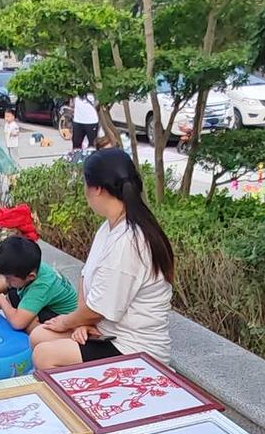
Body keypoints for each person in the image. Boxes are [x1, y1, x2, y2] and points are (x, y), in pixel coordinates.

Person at [30, 148, 174, 367]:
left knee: (45, 355)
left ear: (96, 188)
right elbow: (85, 277)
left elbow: (99, 309)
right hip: (105, 332)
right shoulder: (109, 227)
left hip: (133, 347)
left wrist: (67, 322)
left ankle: (79, 401)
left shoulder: (129, 241)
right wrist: (79, 324)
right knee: (39, 335)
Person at [0, 237, 79, 332]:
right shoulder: (31, 267)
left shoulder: (41, 286)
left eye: (8, 278)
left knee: (28, 323)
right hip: (51, 307)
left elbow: (18, 323)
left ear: (31, 276)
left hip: (64, 321)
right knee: (13, 293)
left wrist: (2, 302)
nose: (6, 281)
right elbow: (8, 283)